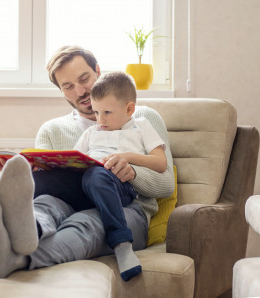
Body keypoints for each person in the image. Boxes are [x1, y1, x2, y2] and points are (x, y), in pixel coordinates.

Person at [0, 45, 175, 279]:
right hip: (68, 201)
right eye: (68, 86)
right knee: (44, 204)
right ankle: (20, 229)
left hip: (127, 208)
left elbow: (166, 184)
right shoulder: (51, 130)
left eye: (84, 78)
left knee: (86, 222)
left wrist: (132, 173)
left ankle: (15, 259)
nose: (80, 91)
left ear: (98, 71)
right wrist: (29, 173)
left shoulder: (142, 118)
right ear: (62, 91)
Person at [32, 71, 167, 281]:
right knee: (39, 180)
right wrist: (46, 168)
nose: (100, 119)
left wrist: (127, 158)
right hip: (86, 188)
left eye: (107, 112)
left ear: (129, 109)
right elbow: (76, 161)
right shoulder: (92, 132)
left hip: (118, 187)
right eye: (96, 113)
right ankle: (31, 224)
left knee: (96, 175)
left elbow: (161, 163)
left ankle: (122, 243)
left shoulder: (141, 126)